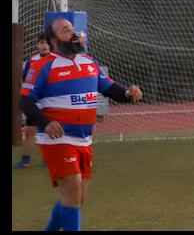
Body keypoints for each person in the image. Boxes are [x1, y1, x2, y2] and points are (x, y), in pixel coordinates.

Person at [20, 17, 142, 232]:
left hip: (84, 139)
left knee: (76, 196)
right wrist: (45, 122)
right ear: (53, 40)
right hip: (57, 139)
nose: (73, 33)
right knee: (73, 191)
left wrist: (128, 93)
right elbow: (26, 101)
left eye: (73, 29)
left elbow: (110, 88)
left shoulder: (89, 61)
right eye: (65, 30)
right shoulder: (42, 65)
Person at [14, 38, 52, 169]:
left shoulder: (57, 59)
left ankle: (51, 159)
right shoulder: (31, 61)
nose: (44, 45)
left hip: (52, 101)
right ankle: (25, 161)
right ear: (37, 45)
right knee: (30, 131)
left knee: (53, 129)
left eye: (46, 43)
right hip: (36, 101)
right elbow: (24, 78)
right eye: (41, 43)